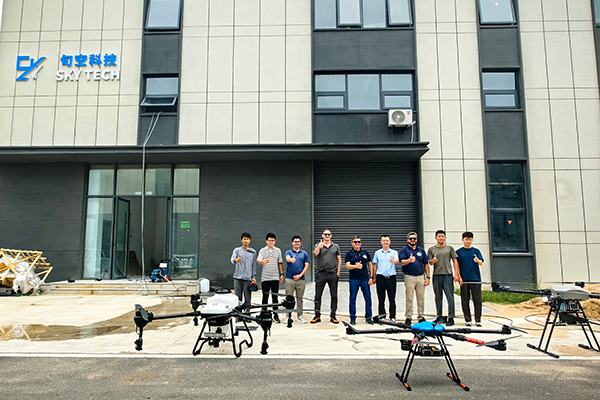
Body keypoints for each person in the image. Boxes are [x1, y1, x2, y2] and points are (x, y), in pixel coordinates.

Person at [427, 230, 459, 326]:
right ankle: (439, 316)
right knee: (438, 296)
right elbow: (430, 263)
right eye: (439, 236)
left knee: (450, 296)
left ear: (445, 238)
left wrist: (456, 274)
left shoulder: (449, 248)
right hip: (437, 275)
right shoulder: (431, 249)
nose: (441, 238)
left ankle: (451, 317)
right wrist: (433, 260)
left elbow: (455, 261)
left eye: (442, 236)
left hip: (447, 275)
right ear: (436, 238)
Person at [399, 232, 430, 325]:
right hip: (409, 277)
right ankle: (408, 317)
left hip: (420, 277)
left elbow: (426, 264)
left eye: (414, 238)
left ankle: (421, 316)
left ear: (417, 240)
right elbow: (402, 262)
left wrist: (428, 277)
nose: (412, 240)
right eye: (411, 238)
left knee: (421, 298)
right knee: (409, 298)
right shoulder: (404, 250)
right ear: (407, 240)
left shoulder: (421, 250)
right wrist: (409, 260)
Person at [312, 228, 342, 324]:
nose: (327, 236)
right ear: (322, 236)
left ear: (331, 236)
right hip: (321, 274)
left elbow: (339, 260)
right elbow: (315, 253)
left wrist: (338, 273)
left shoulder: (335, 246)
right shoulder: (318, 245)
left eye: (328, 234)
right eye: (325, 234)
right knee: (318, 295)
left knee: (334, 295)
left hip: (332, 274)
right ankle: (317, 316)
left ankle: (333, 316)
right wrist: (319, 247)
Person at [456, 231, 484, 327]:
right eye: (466, 239)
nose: (468, 241)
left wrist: (478, 261)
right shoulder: (459, 252)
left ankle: (478, 320)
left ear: (472, 240)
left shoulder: (476, 251)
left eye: (470, 239)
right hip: (464, 279)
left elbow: (481, 262)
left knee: (477, 299)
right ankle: (468, 320)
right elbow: (457, 265)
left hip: (475, 278)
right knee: (465, 300)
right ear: (462, 240)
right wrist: (459, 277)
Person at [345, 236, 374, 325]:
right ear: (352, 243)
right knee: (352, 299)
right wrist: (356, 266)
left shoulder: (365, 253)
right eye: (355, 242)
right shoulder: (349, 254)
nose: (357, 243)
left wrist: (371, 277)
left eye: (359, 242)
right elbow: (348, 266)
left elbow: (370, 265)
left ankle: (368, 317)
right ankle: (353, 317)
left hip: (365, 279)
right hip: (354, 279)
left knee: (368, 298)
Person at [372, 235, 399, 323]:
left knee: (392, 298)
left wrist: (393, 261)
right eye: (384, 241)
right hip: (380, 278)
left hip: (391, 278)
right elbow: (375, 265)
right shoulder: (377, 253)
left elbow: (397, 261)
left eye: (387, 240)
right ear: (381, 242)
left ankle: (392, 317)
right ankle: (382, 316)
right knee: (381, 298)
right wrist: (373, 277)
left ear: (390, 242)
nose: (385, 242)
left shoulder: (394, 252)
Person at [257, 232, 284, 322]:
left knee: (275, 297)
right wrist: (265, 260)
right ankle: (263, 314)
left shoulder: (278, 250)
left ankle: (275, 315)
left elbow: (280, 262)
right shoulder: (262, 250)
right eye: (269, 240)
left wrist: (282, 274)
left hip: (275, 277)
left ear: (275, 241)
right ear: (266, 241)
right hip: (265, 277)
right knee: (265, 296)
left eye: (273, 240)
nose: (271, 242)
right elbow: (258, 261)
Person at [285, 235, 310, 323]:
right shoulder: (288, 252)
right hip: (289, 279)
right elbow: (287, 258)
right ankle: (288, 316)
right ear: (292, 242)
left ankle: (300, 316)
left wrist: (300, 275)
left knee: (300, 298)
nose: (297, 243)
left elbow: (307, 265)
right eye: (295, 241)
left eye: (298, 241)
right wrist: (291, 260)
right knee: (289, 299)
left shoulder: (304, 253)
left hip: (301, 280)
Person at [230, 232, 257, 307]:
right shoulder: (237, 250)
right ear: (241, 240)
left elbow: (253, 265)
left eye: (247, 239)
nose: (246, 241)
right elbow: (232, 259)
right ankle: (239, 313)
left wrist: (253, 277)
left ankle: (247, 312)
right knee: (238, 298)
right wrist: (236, 260)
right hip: (237, 278)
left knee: (248, 298)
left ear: (250, 240)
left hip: (248, 278)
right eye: (244, 239)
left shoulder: (253, 252)